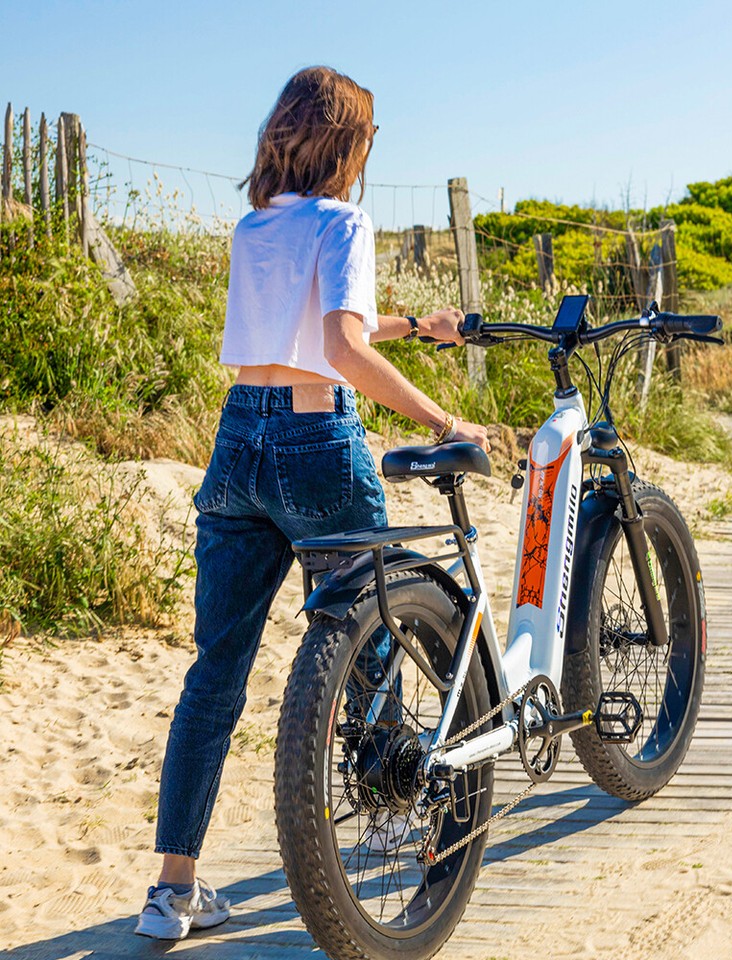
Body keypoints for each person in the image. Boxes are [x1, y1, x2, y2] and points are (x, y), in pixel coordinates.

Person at [135, 65, 489, 941]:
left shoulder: (255, 225)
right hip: (312, 445)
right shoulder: (346, 220)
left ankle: (171, 893)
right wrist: (446, 417)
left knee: (213, 675)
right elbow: (339, 347)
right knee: (369, 633)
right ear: (348, 143)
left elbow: (311, 331)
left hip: (236, 446)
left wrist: (416, 327)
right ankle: (396, 815)